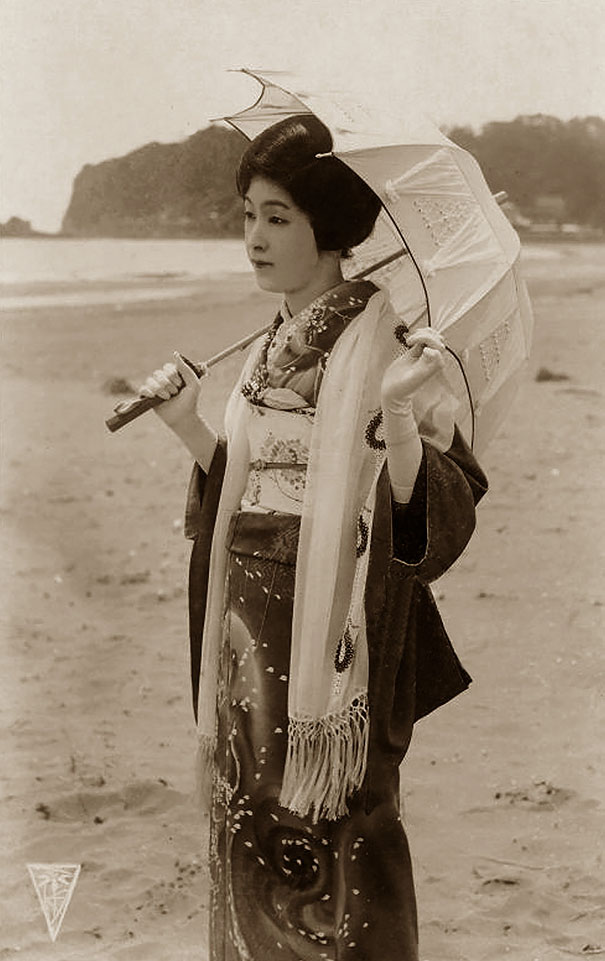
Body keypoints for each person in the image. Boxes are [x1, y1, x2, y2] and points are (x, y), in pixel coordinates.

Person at [139, 115, 488, 961]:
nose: (252, 238)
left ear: (327, 228)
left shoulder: (390, 347)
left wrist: (400, 413)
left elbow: (435, 518)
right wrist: (191, 426)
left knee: (337, 821)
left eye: (277, 217)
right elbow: (249, 485)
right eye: (247, 214)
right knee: (248, 805)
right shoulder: (272, 342)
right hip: (247, 622)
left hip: (340, 623)